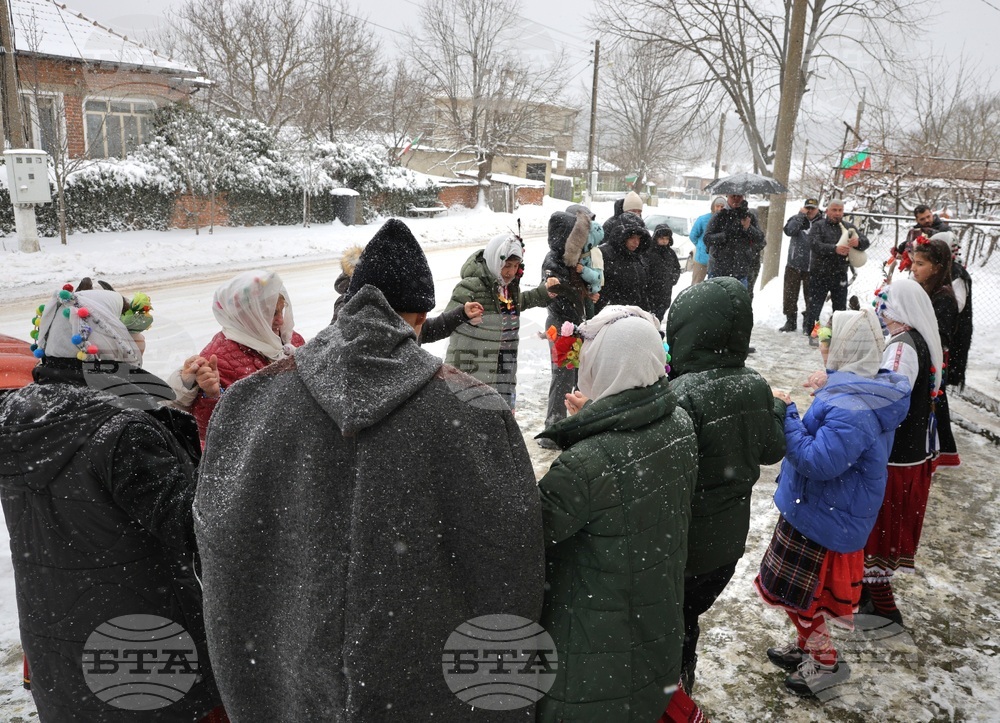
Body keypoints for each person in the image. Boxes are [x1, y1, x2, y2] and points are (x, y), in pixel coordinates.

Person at [193, 218, 544, 721]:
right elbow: (508, 552)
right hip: (421, 681)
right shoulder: (473, 407)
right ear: (420, 316)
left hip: (289, 676)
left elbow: (221, 538)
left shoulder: (252, 400)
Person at [0, 287, 223, 722]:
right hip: (140, 627)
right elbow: (194, 524)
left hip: (54, 629)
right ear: (108, 338)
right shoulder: (123, 431)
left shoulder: (12, 416)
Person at [535, 305, 698, 722]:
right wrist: (592, 422)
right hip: (653, 616)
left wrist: (585, 436)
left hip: (593, 641)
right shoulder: (678, 422)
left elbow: (535, 530)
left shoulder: (588, 463)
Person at [758, 309, 910, 698]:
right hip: (818, 510)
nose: (822, 344)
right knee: (796, 594)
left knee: (804, 599)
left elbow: (817, 460)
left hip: (823, 518)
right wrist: (832, 383)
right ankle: (809, 646)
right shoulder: (860, 390)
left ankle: (824, 663)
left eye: (829, 339)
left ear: (846, 348)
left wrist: (787, 412)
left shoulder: (852, 408)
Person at [665, 277, 787, 692]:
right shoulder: (755, 385)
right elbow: (772, 450)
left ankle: (669, 691)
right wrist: (776, 409)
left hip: (684, 542)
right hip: (726, 544)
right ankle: (684, 677)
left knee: (669, 618)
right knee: (688, 614)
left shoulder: (682, 393)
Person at [862, 278, 943, 626]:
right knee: (880, 527)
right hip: (907, 453)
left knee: (881, 529)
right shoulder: (912, 341)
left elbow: (890, 397)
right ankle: (867, 592)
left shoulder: (903, 347)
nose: (881, 308)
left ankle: (883, 605)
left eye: (886, 302)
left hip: (896, 456)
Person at [171, 270, 306, 445]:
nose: (280, 320)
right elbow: (206, 432)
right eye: (270, 313)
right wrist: (212, 395)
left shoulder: (290, 339)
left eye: (281, 311)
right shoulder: (217, 358)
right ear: (245, 316)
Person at [444, 230, 558, 409]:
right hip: (472, 371)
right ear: (495, 260)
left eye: (515, 265)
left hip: (504, 369)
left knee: (500, 426)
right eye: (506, 265)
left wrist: (542, 293)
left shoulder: (507, 288)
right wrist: (465, 319)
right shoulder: (471, 286)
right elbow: (447, 322)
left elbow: (520, 302)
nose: (511, 272)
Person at [540, 210, 595, 447]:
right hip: (560, 327)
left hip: (574, 327)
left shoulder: (571, 261)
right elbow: (558, 296)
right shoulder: (554, 262)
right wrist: (579, 293)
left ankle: (572, 425)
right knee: (562, 378)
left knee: (576, 377)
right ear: (564, 237)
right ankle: (554, 430)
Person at [910, 237, 962, 469]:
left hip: (932, 360)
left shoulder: (944, 297)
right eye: (914, 262)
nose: (913, 268)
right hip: (922, 356)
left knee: (934, 403)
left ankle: (939, 450)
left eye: (920, 264)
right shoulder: (924, 289)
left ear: (937, 267)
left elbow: (939, 335)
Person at [804, 200, 870, 346]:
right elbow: (814, 244)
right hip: (819, 273)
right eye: (834, 210)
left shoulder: (848, 227)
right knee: (815, 306)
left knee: (840, 308)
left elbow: (866, 241)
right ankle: (813, 334)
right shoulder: (818, 226)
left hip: (840, 273)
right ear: (827, 211)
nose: (837, 213)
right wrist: (834, 249)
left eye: (840, 210)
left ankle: (837, 335)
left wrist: (858, 243)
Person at [704, 193, 766, 289]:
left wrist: (748, 227)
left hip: (740, 271)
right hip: (719, 270)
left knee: (739, 302)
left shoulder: (749, 217)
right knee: (717, 302)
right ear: (727, 196)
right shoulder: (719, 216)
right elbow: (707, 238)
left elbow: (761, 238)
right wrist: (726, 235)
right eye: (733, 196)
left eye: (739, 196)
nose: (736, 199)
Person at [595, 212, 652, 313]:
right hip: (611, 316)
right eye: (632, 237)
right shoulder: (605, 254)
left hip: (633, 316)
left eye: (639, 238)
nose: (636, 242)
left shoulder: (638, 258)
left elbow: (642, 292)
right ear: (622, 236)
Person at [779, 198, 821, 333]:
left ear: (817, 209)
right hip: (794, 264)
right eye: (807, 208)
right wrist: (800, 216)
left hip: (813, 265)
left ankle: (808, 322)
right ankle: (790, 321)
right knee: (790, 294)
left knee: (811, 295)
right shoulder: (797, 219)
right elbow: (789, 231)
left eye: (812, 208)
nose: (810, 211)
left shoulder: (822, 223)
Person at [646, 224, 683, 324]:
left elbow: (676, 267)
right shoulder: (649, 252)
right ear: (656, 238)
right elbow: (645, 269)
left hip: (666, 289)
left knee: (661, 312)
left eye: (667, 238)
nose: (664, 241)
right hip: (652, 290)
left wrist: (673, 278)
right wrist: (650, 281)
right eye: (662, 238)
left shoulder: (670, 253)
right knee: (650, 315)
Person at [688, 197, 724, 286]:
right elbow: (693, 235)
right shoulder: (703, 219)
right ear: (713, 207)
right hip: (702, 260)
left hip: (718, 262)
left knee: (714, 287)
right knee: (696, 285)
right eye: (717, 206)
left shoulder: (727, 221)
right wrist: (700, 246)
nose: (719, 209)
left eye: (722, 206)